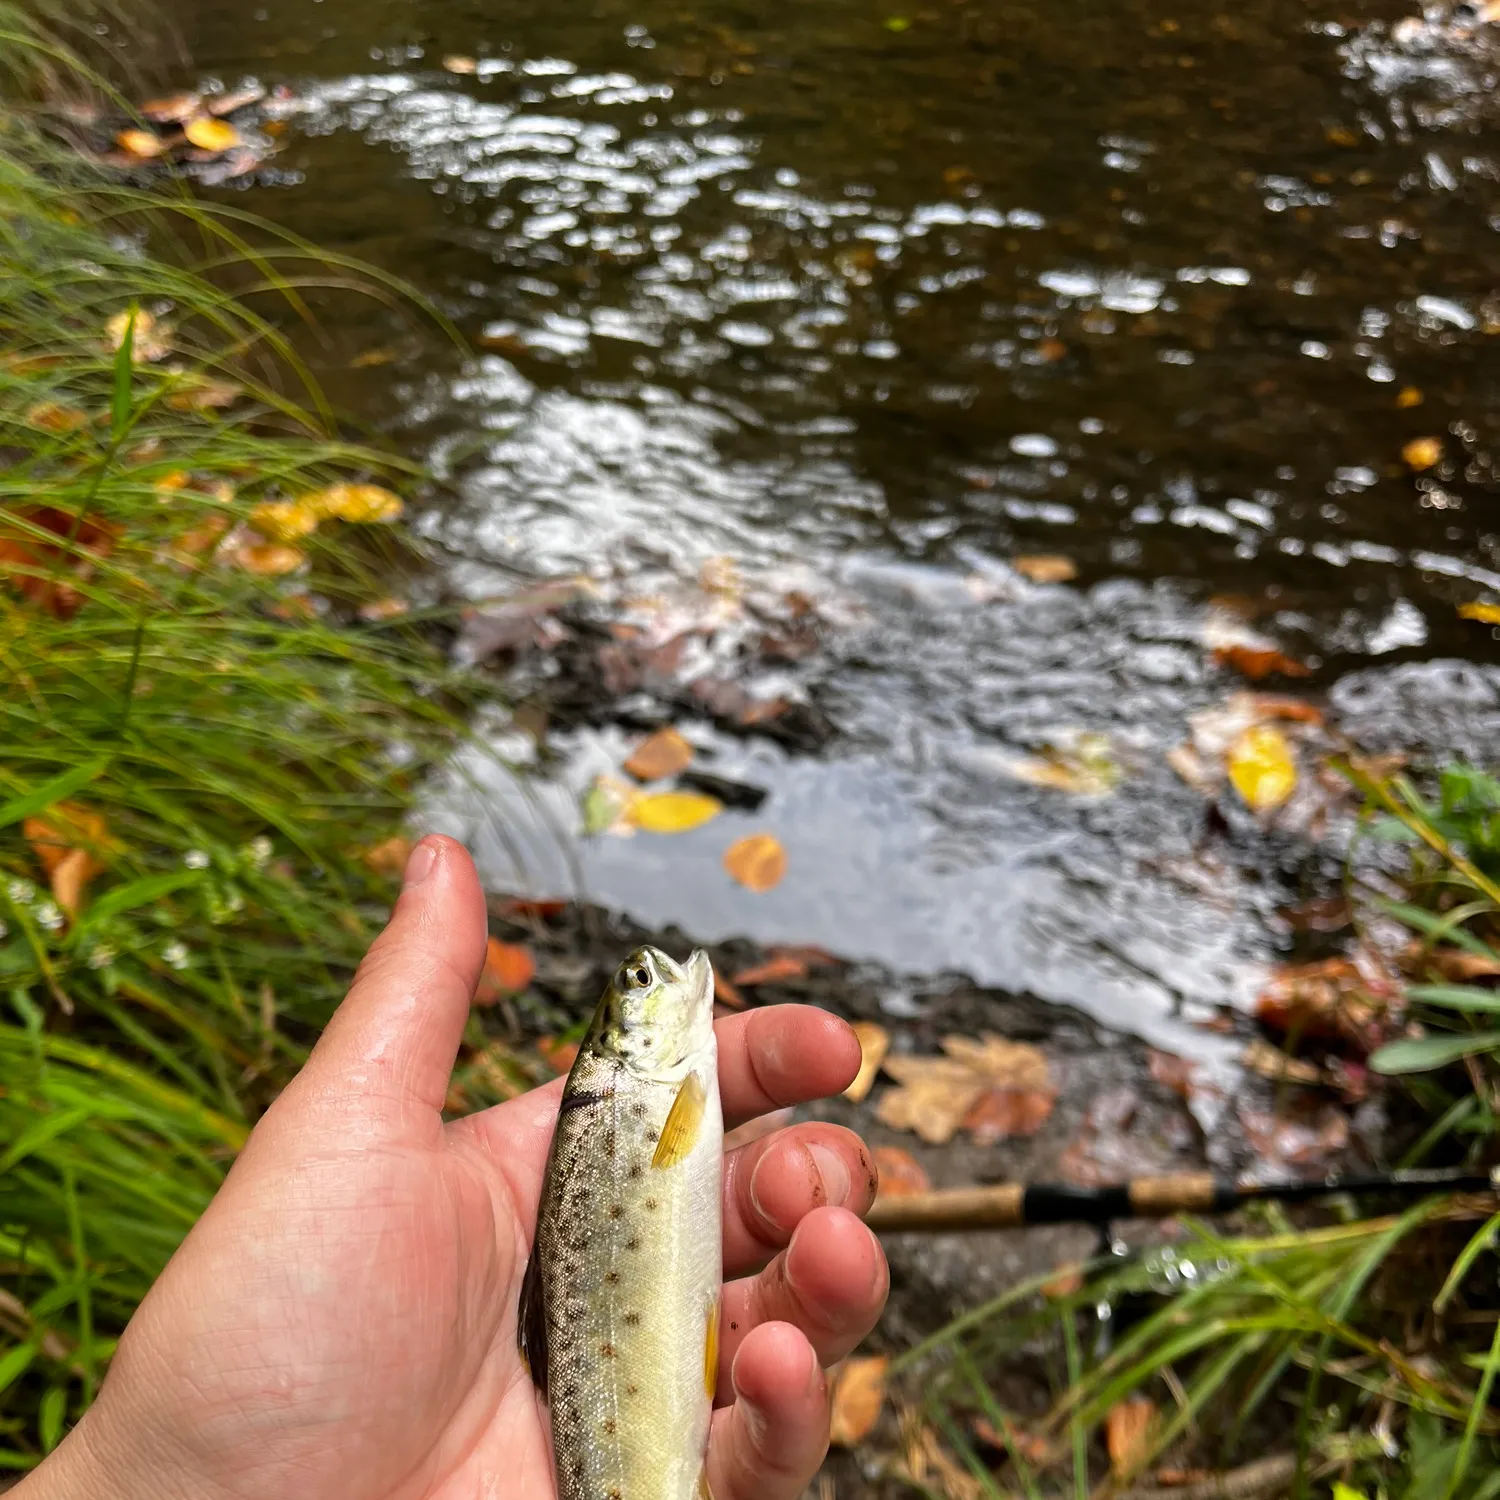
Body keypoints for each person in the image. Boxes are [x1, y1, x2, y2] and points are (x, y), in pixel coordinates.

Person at [17, 836, 889, 1500]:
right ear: (626, 1050)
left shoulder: (651, 1099)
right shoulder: (647, 1100)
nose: (648, 977)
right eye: (637, 983)